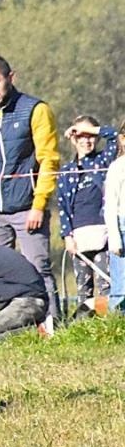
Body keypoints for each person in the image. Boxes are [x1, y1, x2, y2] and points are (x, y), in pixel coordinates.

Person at [0, 56, 60, 331]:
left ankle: (52, 328)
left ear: (10, 77)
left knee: (38, 268)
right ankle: (12, 329)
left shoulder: (36, 110)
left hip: (27, 206)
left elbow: (49, 160)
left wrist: (39, 204)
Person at [55, 115, 118, 315]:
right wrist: (67, 237)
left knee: (106, 283)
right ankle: (85, 326)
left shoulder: (104, 160)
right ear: (73, 140)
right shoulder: (66, 171)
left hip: (104, 233)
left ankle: (109, 323)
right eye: (80, 136)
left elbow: (116, 136)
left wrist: (94, 130)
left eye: (90, 135)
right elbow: (63, 206)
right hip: (79, 236)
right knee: (84, 287)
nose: (86, 140)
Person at [105, 122, 125, 312]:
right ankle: (118, 325)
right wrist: (115, 237)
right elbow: (110, 204)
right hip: (122, 228)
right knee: (122, 288)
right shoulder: (117, 167)